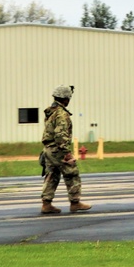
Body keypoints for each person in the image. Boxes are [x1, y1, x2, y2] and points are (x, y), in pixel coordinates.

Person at [40, 85, 91, 215]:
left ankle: (46, 204)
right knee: (71, 173)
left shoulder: (51, 112)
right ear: (65, 99)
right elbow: (60, 135)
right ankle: (75, 202)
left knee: (52, 175)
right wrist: (66, 153)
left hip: (48, 149)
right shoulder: (61, 114)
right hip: (58, 150)